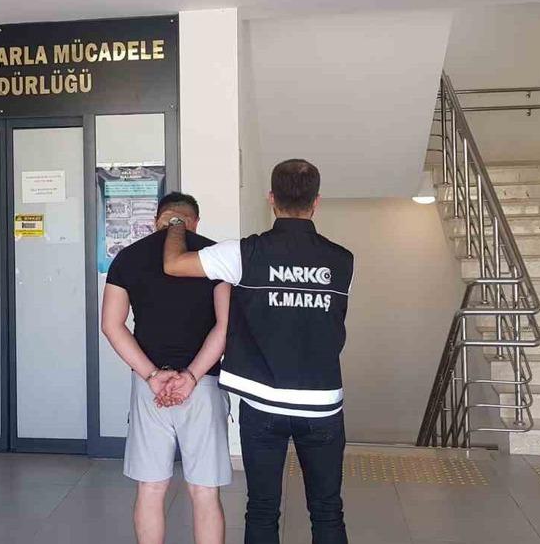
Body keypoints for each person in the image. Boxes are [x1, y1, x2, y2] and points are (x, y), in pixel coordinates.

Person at [163, 160, 353, 544]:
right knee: (327, 510)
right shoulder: (342, 260)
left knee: (263, 508)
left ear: (271, 199)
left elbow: (173, 264)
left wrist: (176, 224)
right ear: (316, 202)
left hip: (262, 403)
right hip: (321, 405)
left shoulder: (245, 254)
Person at [101, 192, 231, 544]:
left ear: (156, 220)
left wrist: (153, 375)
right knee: (205, 491)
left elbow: (111, 325)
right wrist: (191, 376)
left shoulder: (128, 257)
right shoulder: (214, 255)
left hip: (150, 388)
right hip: (203, 385)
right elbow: (226, 326)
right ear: (195, 222)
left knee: (151, 487)